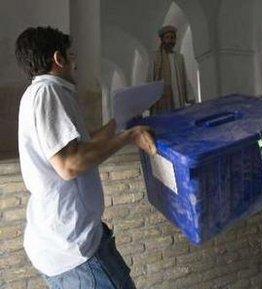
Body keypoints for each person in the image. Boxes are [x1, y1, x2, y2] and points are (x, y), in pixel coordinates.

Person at [15, 26, 156, 289]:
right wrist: (129, 137)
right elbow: (70, 164)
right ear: (58, 59)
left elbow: (82, 145)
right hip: (72, 248)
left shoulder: (44, 93)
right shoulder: (47, 92)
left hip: (77, 238)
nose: (75, 63)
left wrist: (118, 124)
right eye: (72, 55)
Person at [147, 25, 192, 115]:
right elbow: (150, 79)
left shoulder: (179, 57)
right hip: (161, 100)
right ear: (162, 40)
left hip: (178, 97)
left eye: (172, 38)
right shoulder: (155, 57)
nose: (170, 40)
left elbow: (184, 77)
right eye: (167, 37)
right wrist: (148, 101)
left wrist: (191, 98)